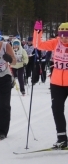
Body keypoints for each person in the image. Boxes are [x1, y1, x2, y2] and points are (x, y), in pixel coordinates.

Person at [30, 21, 68, 149]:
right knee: (57, 109)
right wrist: (37, 32)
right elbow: (38, 45)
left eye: (66, 34)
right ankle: (62, 138)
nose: (64, 37)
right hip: (56, 83)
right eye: (62, 34)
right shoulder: (55, 42)